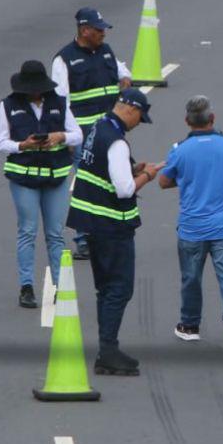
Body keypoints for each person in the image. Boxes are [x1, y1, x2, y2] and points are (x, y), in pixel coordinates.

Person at [67, 88, 161, 376]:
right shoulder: (117, 142)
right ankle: (108, 351)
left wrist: (132, 168)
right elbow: (124, 190)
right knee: (119, 289)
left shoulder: (99, 127)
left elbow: (102, 169)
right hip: (112, 224)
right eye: (139, 118)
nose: (137, 124)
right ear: (131, 110)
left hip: (92, 222)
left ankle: (106, 349)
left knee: (105, 288)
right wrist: (147, 175)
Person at [158, 96, 223, 349]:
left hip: (192, 228)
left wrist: (187, 178)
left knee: (191, 277)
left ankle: (190, 326)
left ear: (187, 121)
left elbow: (163, 181)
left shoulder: (179, 150)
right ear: (212, 118)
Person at [0, 60, 82, 308]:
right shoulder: (8, 105)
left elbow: (77, 135)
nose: (34, 92)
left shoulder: (59, 103)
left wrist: (59, 136)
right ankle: (26, 287)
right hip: (23, 177)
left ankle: (60, 287)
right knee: (28, 231)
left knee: (55, 234)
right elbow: (1, 142)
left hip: (56, 177)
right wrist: (22, 145)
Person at [53, 7, 132, 259]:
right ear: (84, 30)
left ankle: (103, 232)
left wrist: (125, 78)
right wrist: (68, 136)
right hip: (83, 134)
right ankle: (84, 238)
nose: (103, 33)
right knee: (87, 184)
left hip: (110, 132)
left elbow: (122, 70)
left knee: (110, 180)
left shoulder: (105, 51)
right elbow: (60, 101)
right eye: (98, 29)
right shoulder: (64, 60)